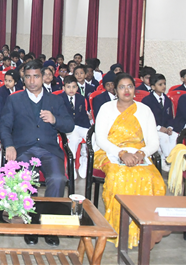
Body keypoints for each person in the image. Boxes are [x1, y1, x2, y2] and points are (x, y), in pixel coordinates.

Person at [0, 59, 75, 247]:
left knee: (58, 179)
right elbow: (5, 126)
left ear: (43, 77)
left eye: (36, 76)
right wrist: (9, 145)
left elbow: (69, 125)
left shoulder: (55, 99)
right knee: (25, 178)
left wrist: (55, 119)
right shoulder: (14, 99)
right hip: (23, 149)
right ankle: (30, 224)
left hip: (49, 149)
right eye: (28, 77)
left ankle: (49, 225)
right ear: (23, 79)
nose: (32, 81)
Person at [93, 73, 165, 249]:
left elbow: (154, 142)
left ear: (135, 89)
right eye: (122, 87)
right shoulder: (106, 108)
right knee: (119, 176)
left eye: (130, 86)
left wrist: (141, 154)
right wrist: (121, 153)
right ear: (115, 90)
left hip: (139, 153)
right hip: (110, 152)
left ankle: (146, 231)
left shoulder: (144, 110)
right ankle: (120, 229)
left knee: (152, 179)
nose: (126, 90)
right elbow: (101, 139)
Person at [142, 73, 176, 171]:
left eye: (164, 84)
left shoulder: (167, 100)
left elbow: (170, 117)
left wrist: (169, 127)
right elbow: (146, 118)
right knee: (163, 137)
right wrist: (159, 128)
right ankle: (167, 159)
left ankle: (169, 158)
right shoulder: (147, 100)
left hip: (165, 128)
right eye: (160, 84)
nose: (163, 86)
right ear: (153, 87)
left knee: (175, 136)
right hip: (153, 128)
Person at [62, 75, 91, 180]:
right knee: (74, 138)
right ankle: (72, 163)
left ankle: (85, 158)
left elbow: (83, 115)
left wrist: (88, 129)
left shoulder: (81, 98)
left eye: (74, 87)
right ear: (64, 88)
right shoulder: (59, 98)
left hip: (81, 125)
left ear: (77, 88)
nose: (71, 89)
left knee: (92, 137)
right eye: (68, 87)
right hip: (67, 126)